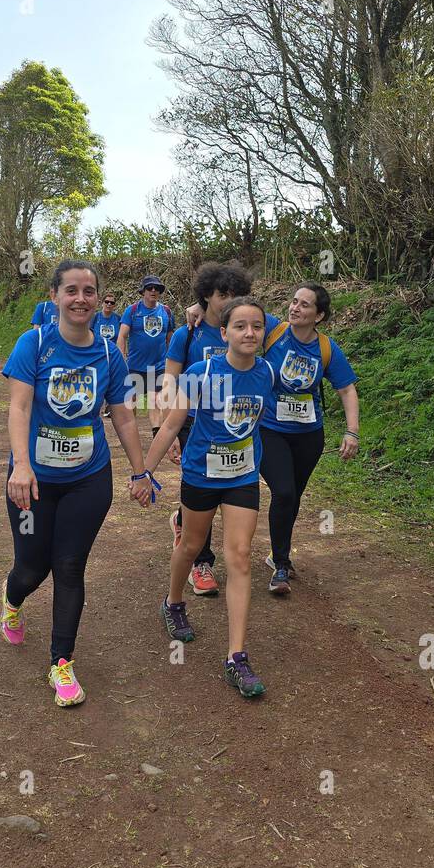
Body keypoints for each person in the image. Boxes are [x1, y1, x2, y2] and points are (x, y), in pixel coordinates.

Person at [0, 260, 153, 709]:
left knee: (68, 567)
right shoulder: (35, 343)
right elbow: (20, 408)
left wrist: (140, 471)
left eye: (89, 291)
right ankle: (12, 601)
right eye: (71, 290)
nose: (81, 298)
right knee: (32, 568)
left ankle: (61, 663)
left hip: (88, 478)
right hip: (32, 481)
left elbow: (123, 415)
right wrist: (22, 466)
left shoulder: (109, 354)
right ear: (55, 297)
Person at [134, 297, 277, 699]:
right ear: (224, 332)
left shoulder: (266, 372)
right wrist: (144, 472)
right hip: (201, 474)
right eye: (240, 326)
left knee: (240, 556)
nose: (249, 333)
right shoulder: (202, 372)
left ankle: (237, 658)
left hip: (243, 477)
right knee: (191, 545)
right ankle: (173, 602)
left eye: (256, 327)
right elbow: (170, 426)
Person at [258, 284, 360, 594]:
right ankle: (280, 565)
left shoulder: (327, 348)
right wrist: (200, 308)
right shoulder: (273, 331)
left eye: (305, 305)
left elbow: (346, 389)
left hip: (308, 435)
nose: (295, 308)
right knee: (285, 492)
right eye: (294, 301)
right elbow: (233, 311)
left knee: (293, 496)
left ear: (319, 315)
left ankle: (279, 554)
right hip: (269, 428)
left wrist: (351, 431)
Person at [162, 261, 255, 596]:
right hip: (191, 423)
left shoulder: (244, 328)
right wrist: (165, 427)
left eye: (236, 294)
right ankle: (201, 563)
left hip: (231, 429)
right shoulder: (188, 333)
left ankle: (185, 526)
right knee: (201, 485)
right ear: (206, 295)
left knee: (220, 488)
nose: (229, 300)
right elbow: (170, 379)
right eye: (222, 294)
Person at [117, 275, 173, 437]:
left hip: (159, 365)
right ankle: (130, 430)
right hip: (135, 365)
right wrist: (121, 359)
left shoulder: (166, 312)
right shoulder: (133, 311)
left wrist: (174, 362)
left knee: (155, 400)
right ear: (143, 291)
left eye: (157, 288)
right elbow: (122, 336)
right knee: (131, 400)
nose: (153, 291)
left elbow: (170, 339)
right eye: (150, 288)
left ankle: (156, 432)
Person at [96, 292, 122, 418]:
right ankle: (97, 407)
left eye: (112, 303)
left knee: (112, 380)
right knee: (99, 380)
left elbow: (121, 337)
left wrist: (123, 354)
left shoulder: (117, 319)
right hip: (97, 354)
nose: (109, 304)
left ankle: (109, 407)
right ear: (102, 303)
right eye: (107, 302)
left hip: (112, 354)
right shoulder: (95, 318)